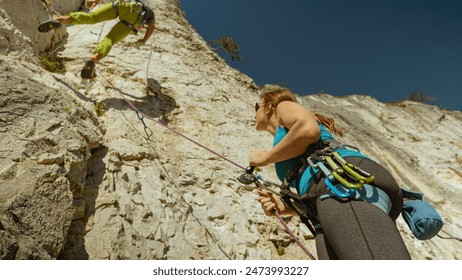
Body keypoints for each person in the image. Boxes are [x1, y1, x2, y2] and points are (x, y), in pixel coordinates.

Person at [250, 85, 411, 260]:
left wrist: (265, 158)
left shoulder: (283, 106)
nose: (255, 112)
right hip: (331, 194)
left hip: (343, 184)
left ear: (268, 104)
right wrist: (288, 207)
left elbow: (307, 130)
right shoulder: (283, 141)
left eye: (256, 106)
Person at [38, 0, 155, 76]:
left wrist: (95, 1)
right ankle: (94, 58)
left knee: (92, 17)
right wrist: (143, 40)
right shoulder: (150, 13)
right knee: (110, 39)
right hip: (134, 21)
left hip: (125, 5)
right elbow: (151, 27)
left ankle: (64, 20)